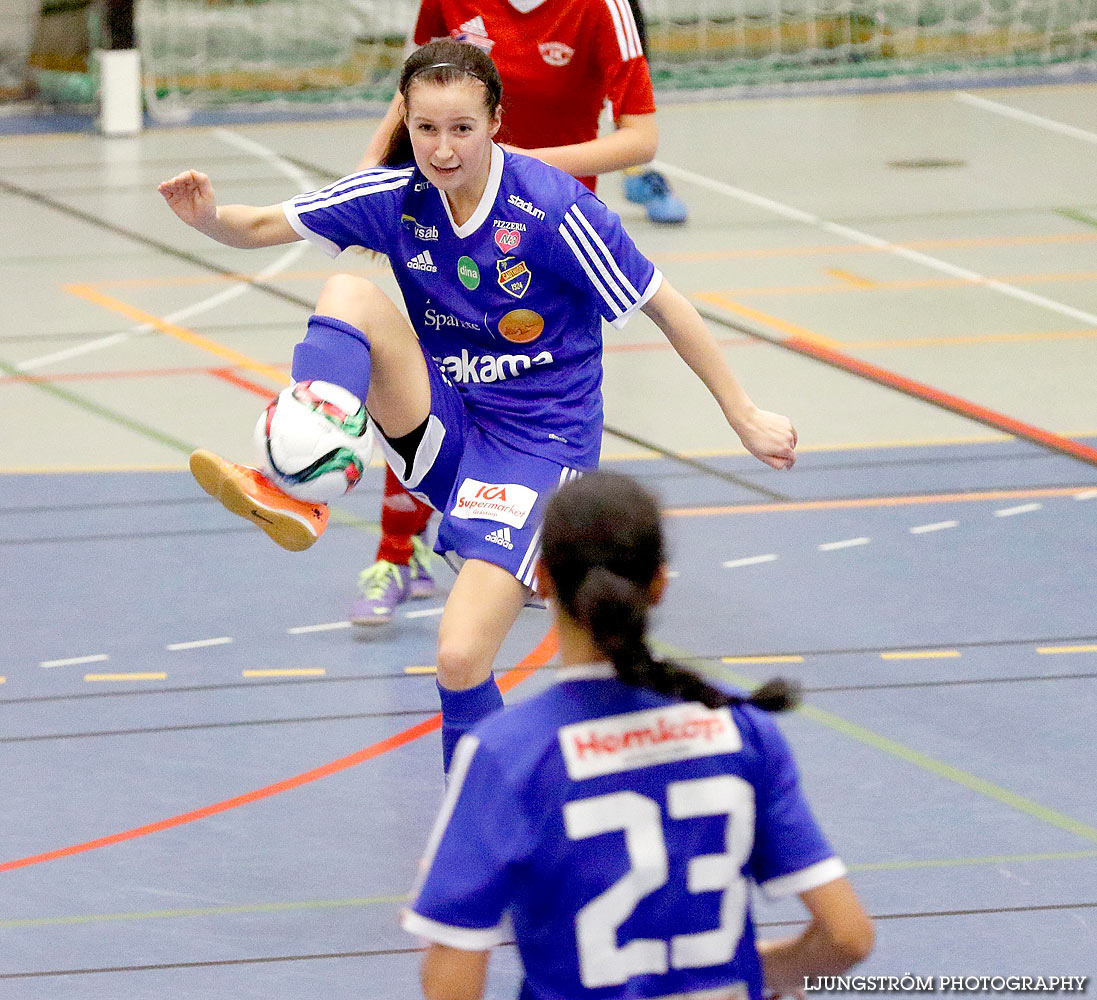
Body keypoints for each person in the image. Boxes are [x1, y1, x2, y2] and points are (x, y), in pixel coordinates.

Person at [159, 39, 796, 774]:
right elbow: (264, 225)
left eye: (461, 127)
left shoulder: (550, 208)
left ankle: (484, 821)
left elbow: (663, 303)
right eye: (426, 128)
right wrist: (206, 218)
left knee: (460, 657)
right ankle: (299, 488)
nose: (442, 147)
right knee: (349, 295)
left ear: (496, 120)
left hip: (534, 451)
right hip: (445, 424)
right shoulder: (397, 196)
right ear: (406, 120)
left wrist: (740, 412)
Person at [402, 470, 874, 1000]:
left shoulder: (509, 755)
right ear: (660, 583)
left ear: (544, 579)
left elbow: (452, 977)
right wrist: (751, 975)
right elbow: (848, 937)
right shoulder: (740, 728)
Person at [352, 0, 687, 628]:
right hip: (449, 222)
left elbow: (641, 138)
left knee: (523, 402)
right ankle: (396, 557)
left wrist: (517, 173)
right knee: (434, 382)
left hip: (549, 244)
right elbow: (413, 94)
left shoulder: (600, 11)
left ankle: (518, 545)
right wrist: (373, 179)